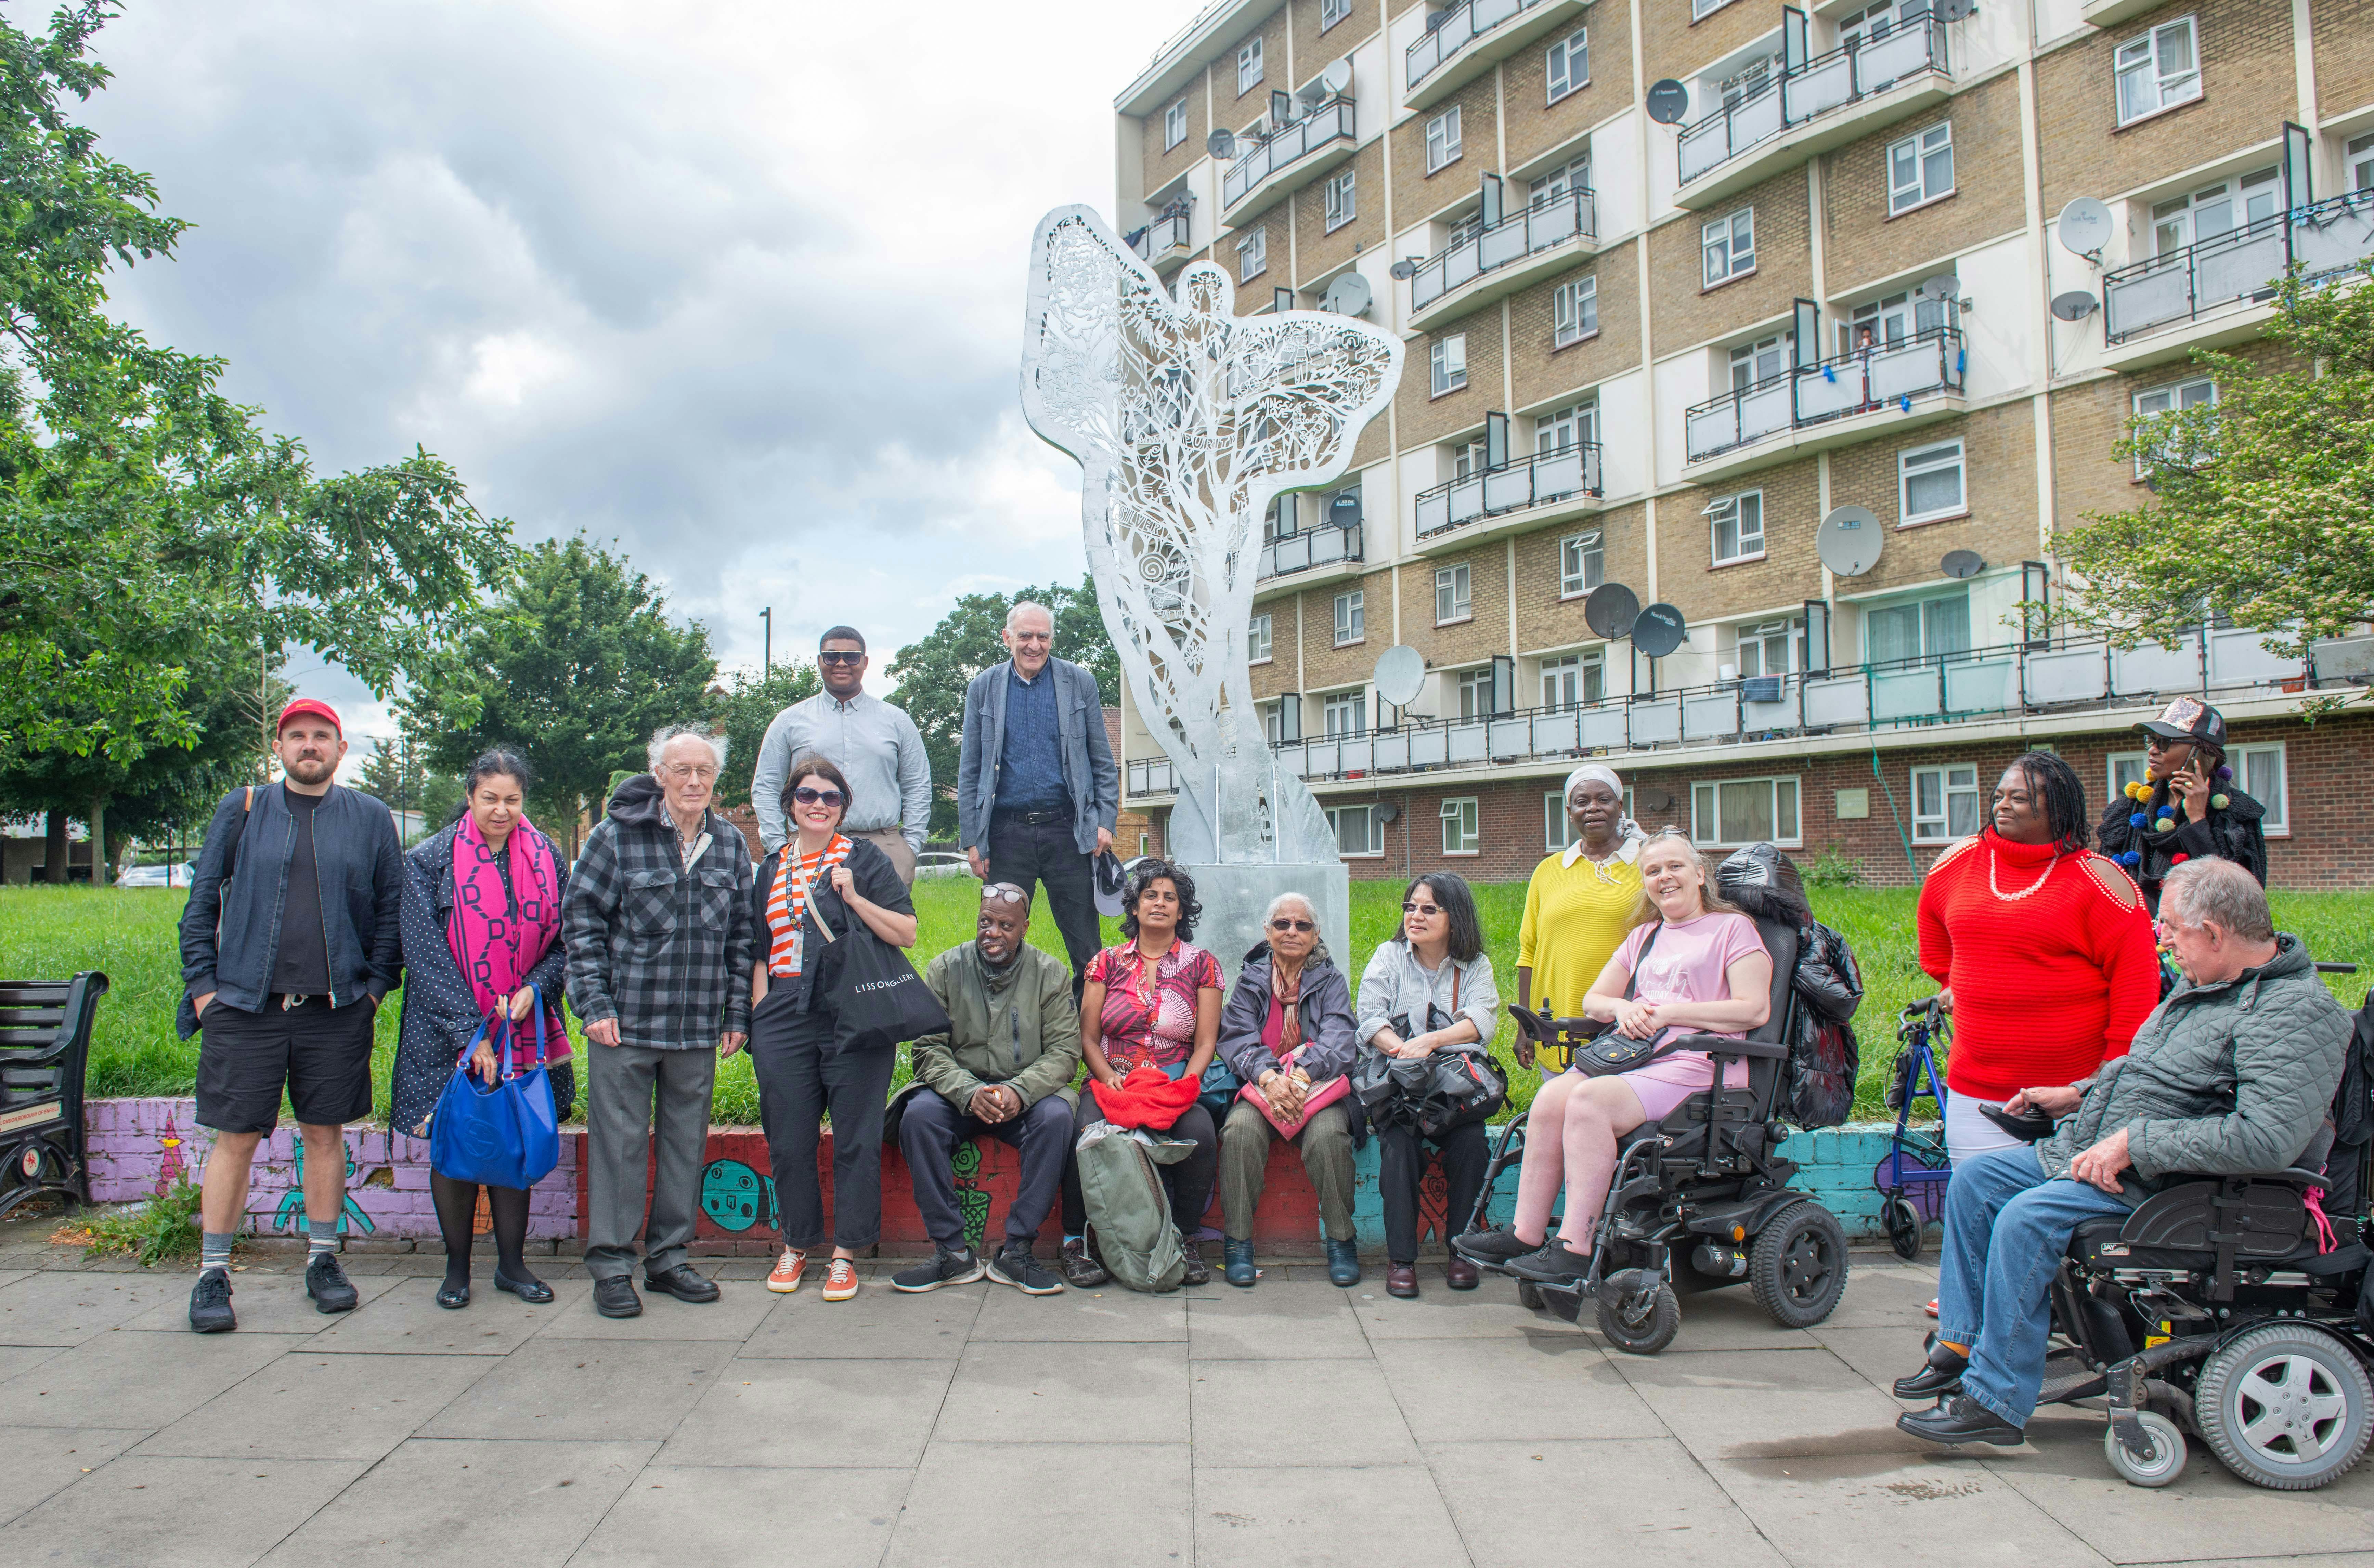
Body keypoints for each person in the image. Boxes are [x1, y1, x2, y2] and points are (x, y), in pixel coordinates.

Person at [1894, 857, 2351, 1447]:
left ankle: (1994, 1398)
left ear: (2213, 933)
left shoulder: (2293, 1011)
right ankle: (1963, 1340)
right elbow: (2147, 1070)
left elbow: (2265, 1138)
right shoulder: (2208, 984)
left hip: (2176, 1182)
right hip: (2107, 1148)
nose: (2159, 938)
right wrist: (2075, 1093)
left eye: (2168, 926)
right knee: (1977, 1180)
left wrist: (2135, 1142)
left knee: (2023, 1219)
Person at [175, 698, 402, 1333]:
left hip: (335, 1009)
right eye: (297, 735)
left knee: (324, 1135)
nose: (310, 745)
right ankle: (212, 1272)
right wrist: (204, 990)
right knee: (237, 1138)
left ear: (340, 747)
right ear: (279, 747)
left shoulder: (370, 817)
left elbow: (392, 909)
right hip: (245, 1006)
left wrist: (376, 988)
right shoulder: (243, 808)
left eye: (321, 736)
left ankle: (323, 1260)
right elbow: (200, 904)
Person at [1459, 830, 1772, 1285]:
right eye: (1652, 871)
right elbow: (1594, 1001)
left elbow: (1753, 1009)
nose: (1663, 877)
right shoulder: (1645, 936)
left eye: (1674, 867)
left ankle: (1575, 1247)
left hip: (1702, 1064)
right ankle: (1525, 1235)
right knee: (1550, 1099)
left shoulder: (1732, 929)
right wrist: (1624, 1008)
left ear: (1700, 874)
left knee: (1589, 1103)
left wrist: (1666, 1014)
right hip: (1640, 1059)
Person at [564, 724, 756, 1319]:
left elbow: (741, 937)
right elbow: (581, 923)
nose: (694, 781)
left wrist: (735, 1013)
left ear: (715, 779)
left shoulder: (728, 845)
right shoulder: (615, 837)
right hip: (625, 1024)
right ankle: (613, 1266)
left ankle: (669, 1257)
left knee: (683, 1146)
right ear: (660, 776)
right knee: (619, 1147)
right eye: (682, 770)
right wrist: (593, 1005)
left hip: (698, 1026)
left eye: (704, 771)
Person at [390, 750, 573, 1310]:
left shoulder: (547, 856)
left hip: (522, 1024)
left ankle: (513, 1266)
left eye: (512, 799)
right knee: (458, 1145)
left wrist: (536, 986)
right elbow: (422, 955)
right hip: (448, 1029)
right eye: (490, 798)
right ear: (470, 796)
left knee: (511, 1139)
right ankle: (456, 1269)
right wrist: (473, 1037)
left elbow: (569, 938)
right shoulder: (428, 860)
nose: (501, 809)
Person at [1920, 750, 2161, 1166]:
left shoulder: (2101, 881)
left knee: (2060, 1220)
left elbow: (2136, 985)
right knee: (1978, 1201)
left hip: (2074, 1097)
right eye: (1999, 796)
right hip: (1978, 1090)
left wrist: (2103, 1078)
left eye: (2021, 798)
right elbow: (1933, 928)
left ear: (2058, 810)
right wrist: (1950, 983)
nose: (2003, 805)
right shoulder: (1957, 862)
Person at [747, 756, 920, 1303]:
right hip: (783, 1011)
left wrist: (853, 897)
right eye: (806, 795)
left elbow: (906, 933)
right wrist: (760, 1013)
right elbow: (758, 949)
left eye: (829, 797)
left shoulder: (863, 859)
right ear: (790, 804)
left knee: (855, 1138)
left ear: (842, 807)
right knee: (790, 1140)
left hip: (853, 1011)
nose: (817, 805)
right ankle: (796, 1244)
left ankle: (846, 1253)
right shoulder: (771, 866)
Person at [894, 882, 1081, 1295]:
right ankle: (953, 1254)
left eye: (1005, 925)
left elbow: (1066, 1053)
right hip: (960, 1096)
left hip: (1024, 1098)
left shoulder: (1051, 973)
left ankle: (1016, 1252)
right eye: (985, 922)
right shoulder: (946, 968)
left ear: (1025, 928)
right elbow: (927, 1049)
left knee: (1056, 1118)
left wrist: (1019, 1090)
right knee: (918, 1117)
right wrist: (968, 1091)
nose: (992, 933)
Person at [1057, 859, 1224, 1288]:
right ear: (1133, 907)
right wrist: (1106, 1077)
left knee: (1201, 1135)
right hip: (1114, 1080)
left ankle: (1186, 1238)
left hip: (1172, 1083)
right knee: (1086, 1132)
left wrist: (1188, 1081)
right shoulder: (1106, 963)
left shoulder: (1202, 965)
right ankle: (1075, 1241)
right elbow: (1088, 1037)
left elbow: (1205, 1042)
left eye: (1171, 898)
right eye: (1151, 895)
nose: (1160, 903)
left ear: (1182, 912)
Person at [956, 600, 1119, 989]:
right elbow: (971, 769)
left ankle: (1094, 1035)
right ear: (1007, 637)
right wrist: (973, 841)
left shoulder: (1079, 682)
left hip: (1070, 832)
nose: (1034, 645)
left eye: (1043, 636)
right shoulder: (983, 688)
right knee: (999, 938)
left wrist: (1105, 821)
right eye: (1025, 635)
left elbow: (1102, 760)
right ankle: (1000, 1030)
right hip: (1006, 836)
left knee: (1086, 945)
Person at [1360, 872, 1503, 1298]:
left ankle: (1462, 1251)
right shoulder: (1388, 956)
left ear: (1454, 918)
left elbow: (1483, 1023)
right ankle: (1402, 1260)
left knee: (1472, 1145)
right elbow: (1369, 1018)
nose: (1415, 917)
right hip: (1400, 1089)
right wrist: (1403, 1051)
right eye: (1410, 907)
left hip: (1454, 1091)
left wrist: (1432, 1041)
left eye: (1428, 909)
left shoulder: (1475, 964)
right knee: (1397, 1148)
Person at [1215, 892, 1361, 1289]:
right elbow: (1236, 1038)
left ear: (1315, 936)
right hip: (1264, 1088)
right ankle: (1238, 1244)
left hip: (1315, 1087)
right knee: (1239, 1134)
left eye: (1303, 925)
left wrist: (1299, 1078)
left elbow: (1341, 1040)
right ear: (1267, 931)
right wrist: (1269, 1077)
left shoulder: (1330, 980)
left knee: (1330, 1138)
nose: (1292, 932)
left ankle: (1341, 1241)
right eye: (1282, 924)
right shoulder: (1251, 981)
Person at [750, 626, 933, 884]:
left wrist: (910, 847)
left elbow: (918, 787)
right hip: (808, 845)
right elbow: (767, 787)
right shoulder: (789, 722)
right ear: (819, 661)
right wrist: (779, 847)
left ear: (865, 662)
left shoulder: (897, 721)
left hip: (884, 847)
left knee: (884, 925)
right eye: (832, 656)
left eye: (852, 656)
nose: (841, 663)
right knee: (807, 925)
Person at [1516, 765, 1646, 1069]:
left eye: (1604, 799)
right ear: (1569, 811)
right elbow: (1528, 952)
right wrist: (1526, 1026)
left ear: (1620, 807)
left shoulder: (1648, 864)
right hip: (1559, 1021)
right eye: (1582, 801)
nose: (1593, 808)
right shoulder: (1548, 871)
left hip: (1629, 1020)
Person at [2097, 695, 2268, 915]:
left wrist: (2197, 819)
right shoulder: (2130, 810)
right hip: (2138, 935)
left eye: (2165, 742)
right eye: (2151, 740)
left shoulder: (2236, 813)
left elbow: (2236, 896)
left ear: (2200, 753)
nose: (2153, 750)